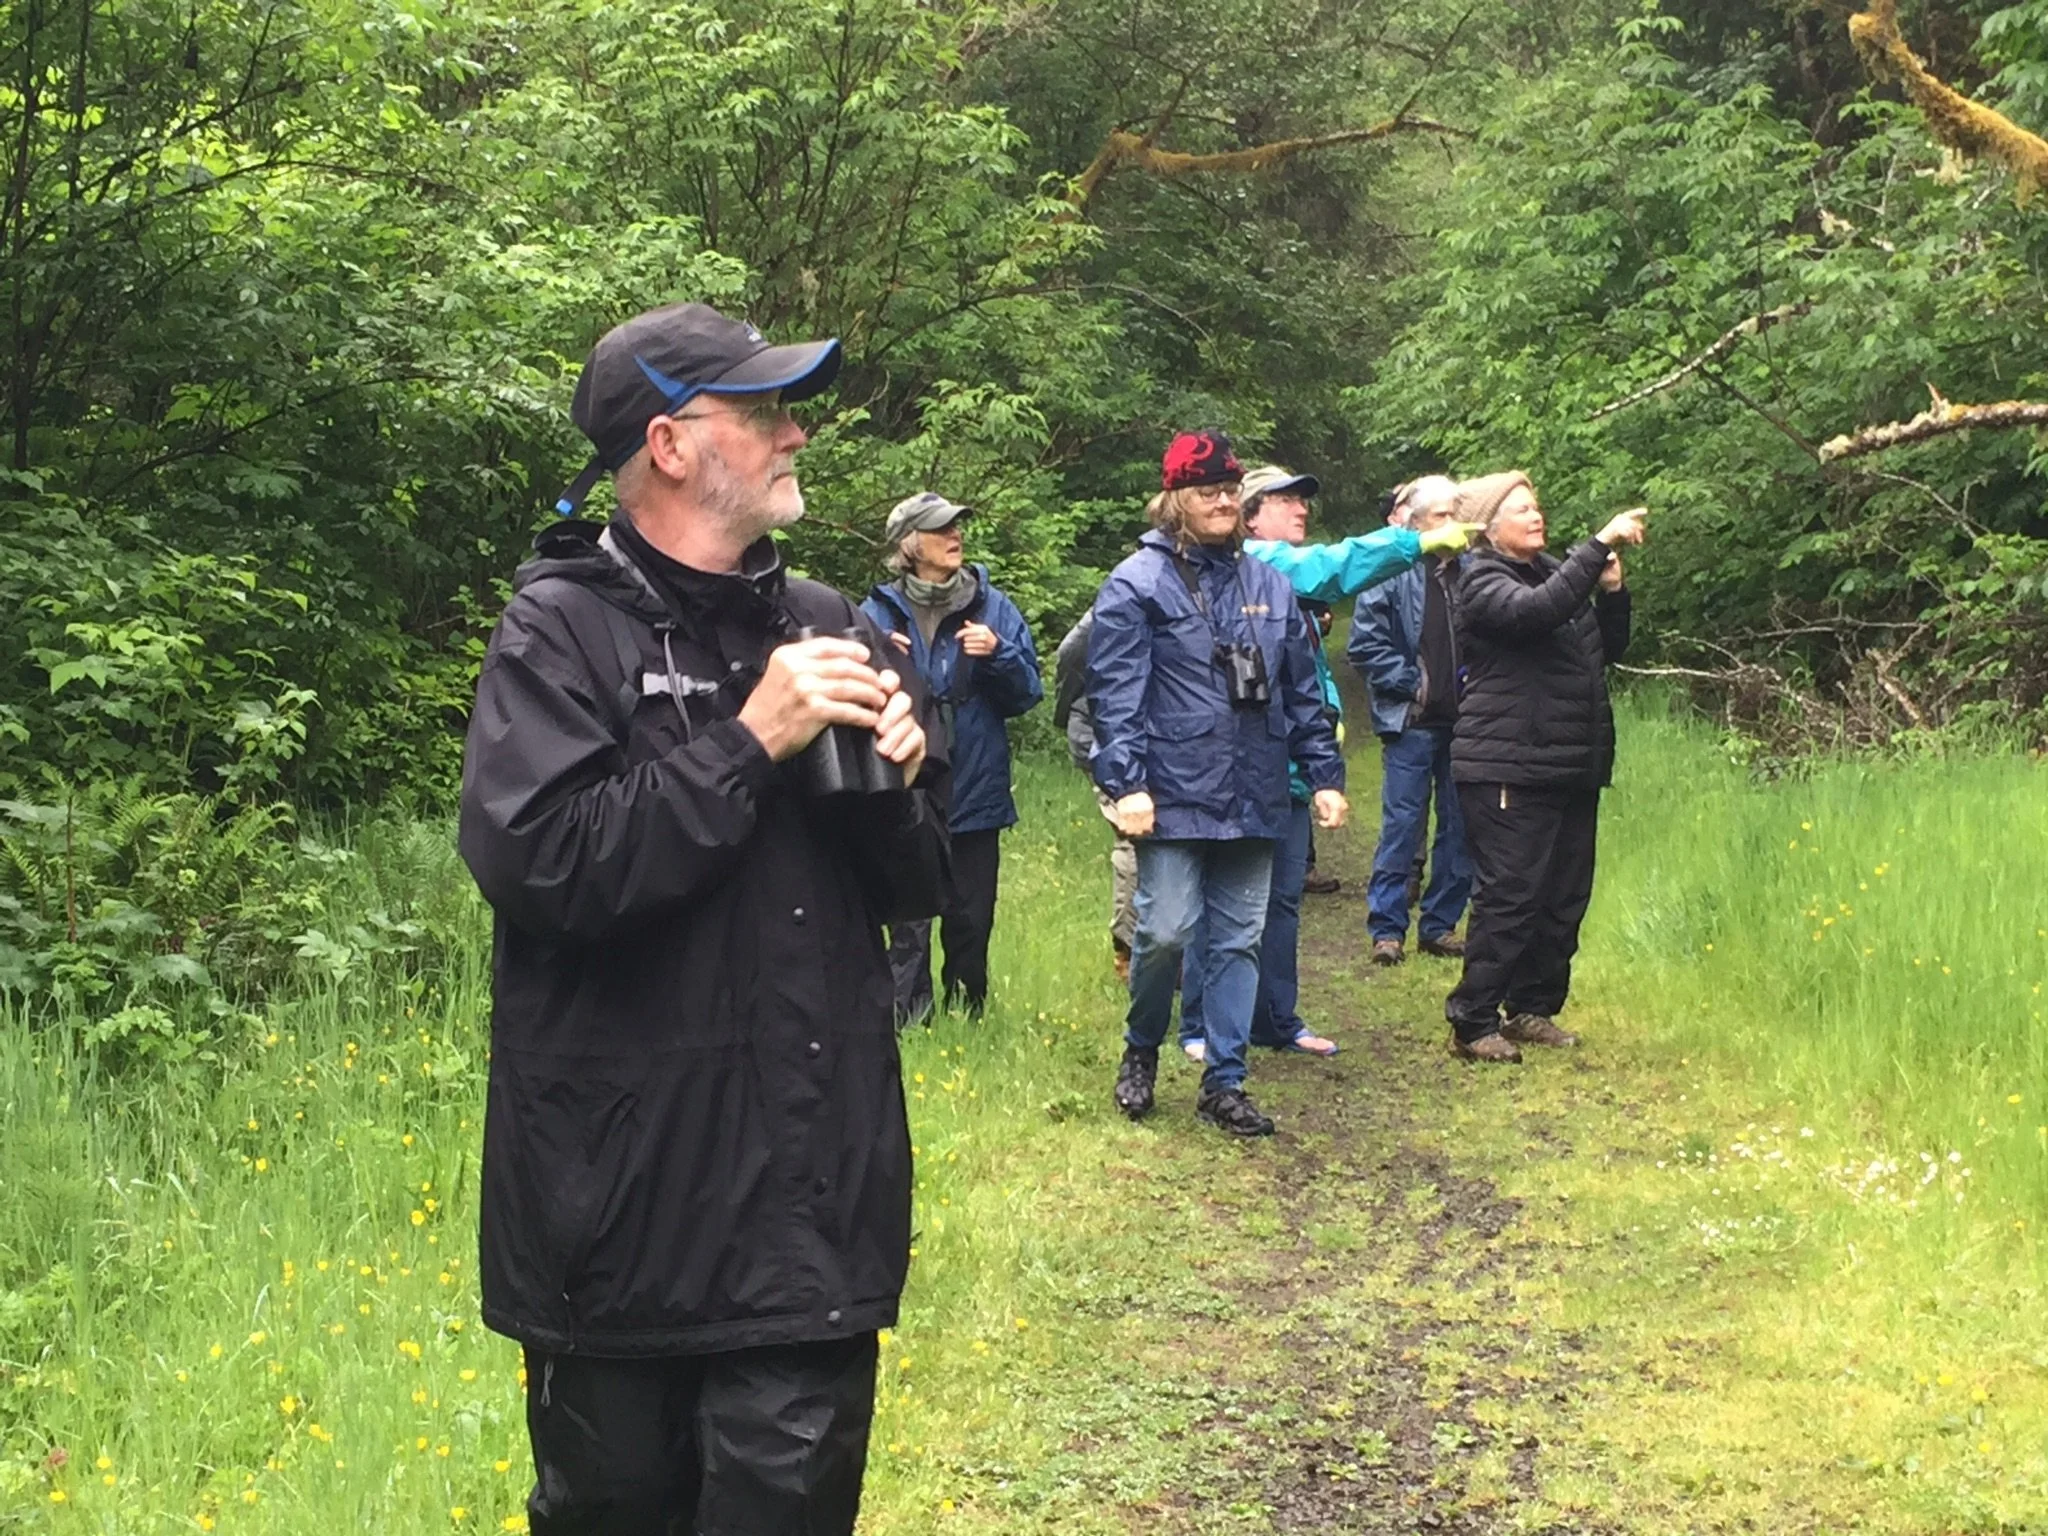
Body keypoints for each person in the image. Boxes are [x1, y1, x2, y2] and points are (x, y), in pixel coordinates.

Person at [458, 302, 947, 1535]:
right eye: (765, 412)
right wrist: (746, 743)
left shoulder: (826, 619)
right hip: (614, 1216)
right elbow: (544, 866)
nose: (794, 435)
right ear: (669, 444)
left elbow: (907, 894)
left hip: (803, 1209)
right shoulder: (558, 630)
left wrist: (900, 779)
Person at [1088, 430, 1347, 1138]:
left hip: (1255, 789)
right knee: (1167, 931)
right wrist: (1127, 784)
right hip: (1170, 794)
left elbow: (1301, 692)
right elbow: (1116, 697)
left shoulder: (1269, 584)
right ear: (1174, 499)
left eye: (1232, 489)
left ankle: (1224, 1081)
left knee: (1240, 940)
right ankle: (1142, 1047)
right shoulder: (1135, 585)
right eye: (1209, 490)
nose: (1225, 501)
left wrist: (1322, 774)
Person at [1180, 463, 1473, 1061]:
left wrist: (1321, 761)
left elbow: (1305, 675)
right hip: (1224, 768)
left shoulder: (1286, 585)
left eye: (1303, 500)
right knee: (1218, 901)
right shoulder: (1259, 564)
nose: (1300, 509)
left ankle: (1277, 1021)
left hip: (1282, 765)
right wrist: (1411, 541)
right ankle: (1198, 1026)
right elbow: (1334, 567)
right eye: (1284, 500)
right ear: (1250, 514)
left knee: (1283, 898)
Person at [1442, 470, 1645, 1063]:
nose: (1537, 517)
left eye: (1537, 508)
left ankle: (1533, 1008)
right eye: (1522, 510)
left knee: (1562, 897)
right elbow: (1536, 614)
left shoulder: (1556, 573)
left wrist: (1611, 592)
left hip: (1570, 764)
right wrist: (1598, 544)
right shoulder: (1479, 579)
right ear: (1488, 526)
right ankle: (1473, 1020)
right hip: (1506, 762)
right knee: (1511, 896)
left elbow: (1606, 651)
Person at [863, 493, 1042, 1020]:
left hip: (976, 785)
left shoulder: (995, 608)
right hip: (906, 785)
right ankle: (907, 1021)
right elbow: (850, 708)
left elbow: (1028, 695)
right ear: (910, 545)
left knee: (971, 916)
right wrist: (878, 665)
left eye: (958, 525)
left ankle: (968, 1015)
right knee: (907, 917)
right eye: (941, 529)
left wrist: (999, 655)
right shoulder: (874, 611)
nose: (954, 535)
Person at [1348, 475, 1476, 968]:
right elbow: (1364, 645)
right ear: (1417, 523)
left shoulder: (1473, 571)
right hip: (1412, 720)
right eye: (1441, 516)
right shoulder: (1391, 570)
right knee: (1402, 824)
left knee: (1460, 827)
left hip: (1466, 722)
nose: (1451, 524)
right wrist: (1413, 683)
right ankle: (1387, 929)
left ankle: (1440, 926)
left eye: (1454, 514)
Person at [1054, 608, 1138, 981]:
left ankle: (1163, 954)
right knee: (1134, 843)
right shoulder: (1129, 589)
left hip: (1145, 736)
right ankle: (1130, 953)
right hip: (1105, 736)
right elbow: (1069, 653)